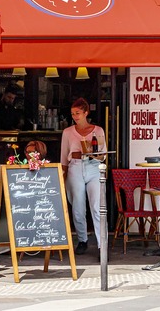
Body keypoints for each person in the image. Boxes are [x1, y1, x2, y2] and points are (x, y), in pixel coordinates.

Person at [60, 98, 106, 255]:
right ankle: (82, 240)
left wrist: (94, 155)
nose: (75, 116)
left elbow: (103, 154)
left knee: (97, 206)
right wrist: (62, 175)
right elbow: (63, 155)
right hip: (75, 166)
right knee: (78, 206)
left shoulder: (98, 131)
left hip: (93, 167)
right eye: (73, 114)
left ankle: (102, 244)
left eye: (78, 113)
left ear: (86, 112)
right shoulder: (67, 132)